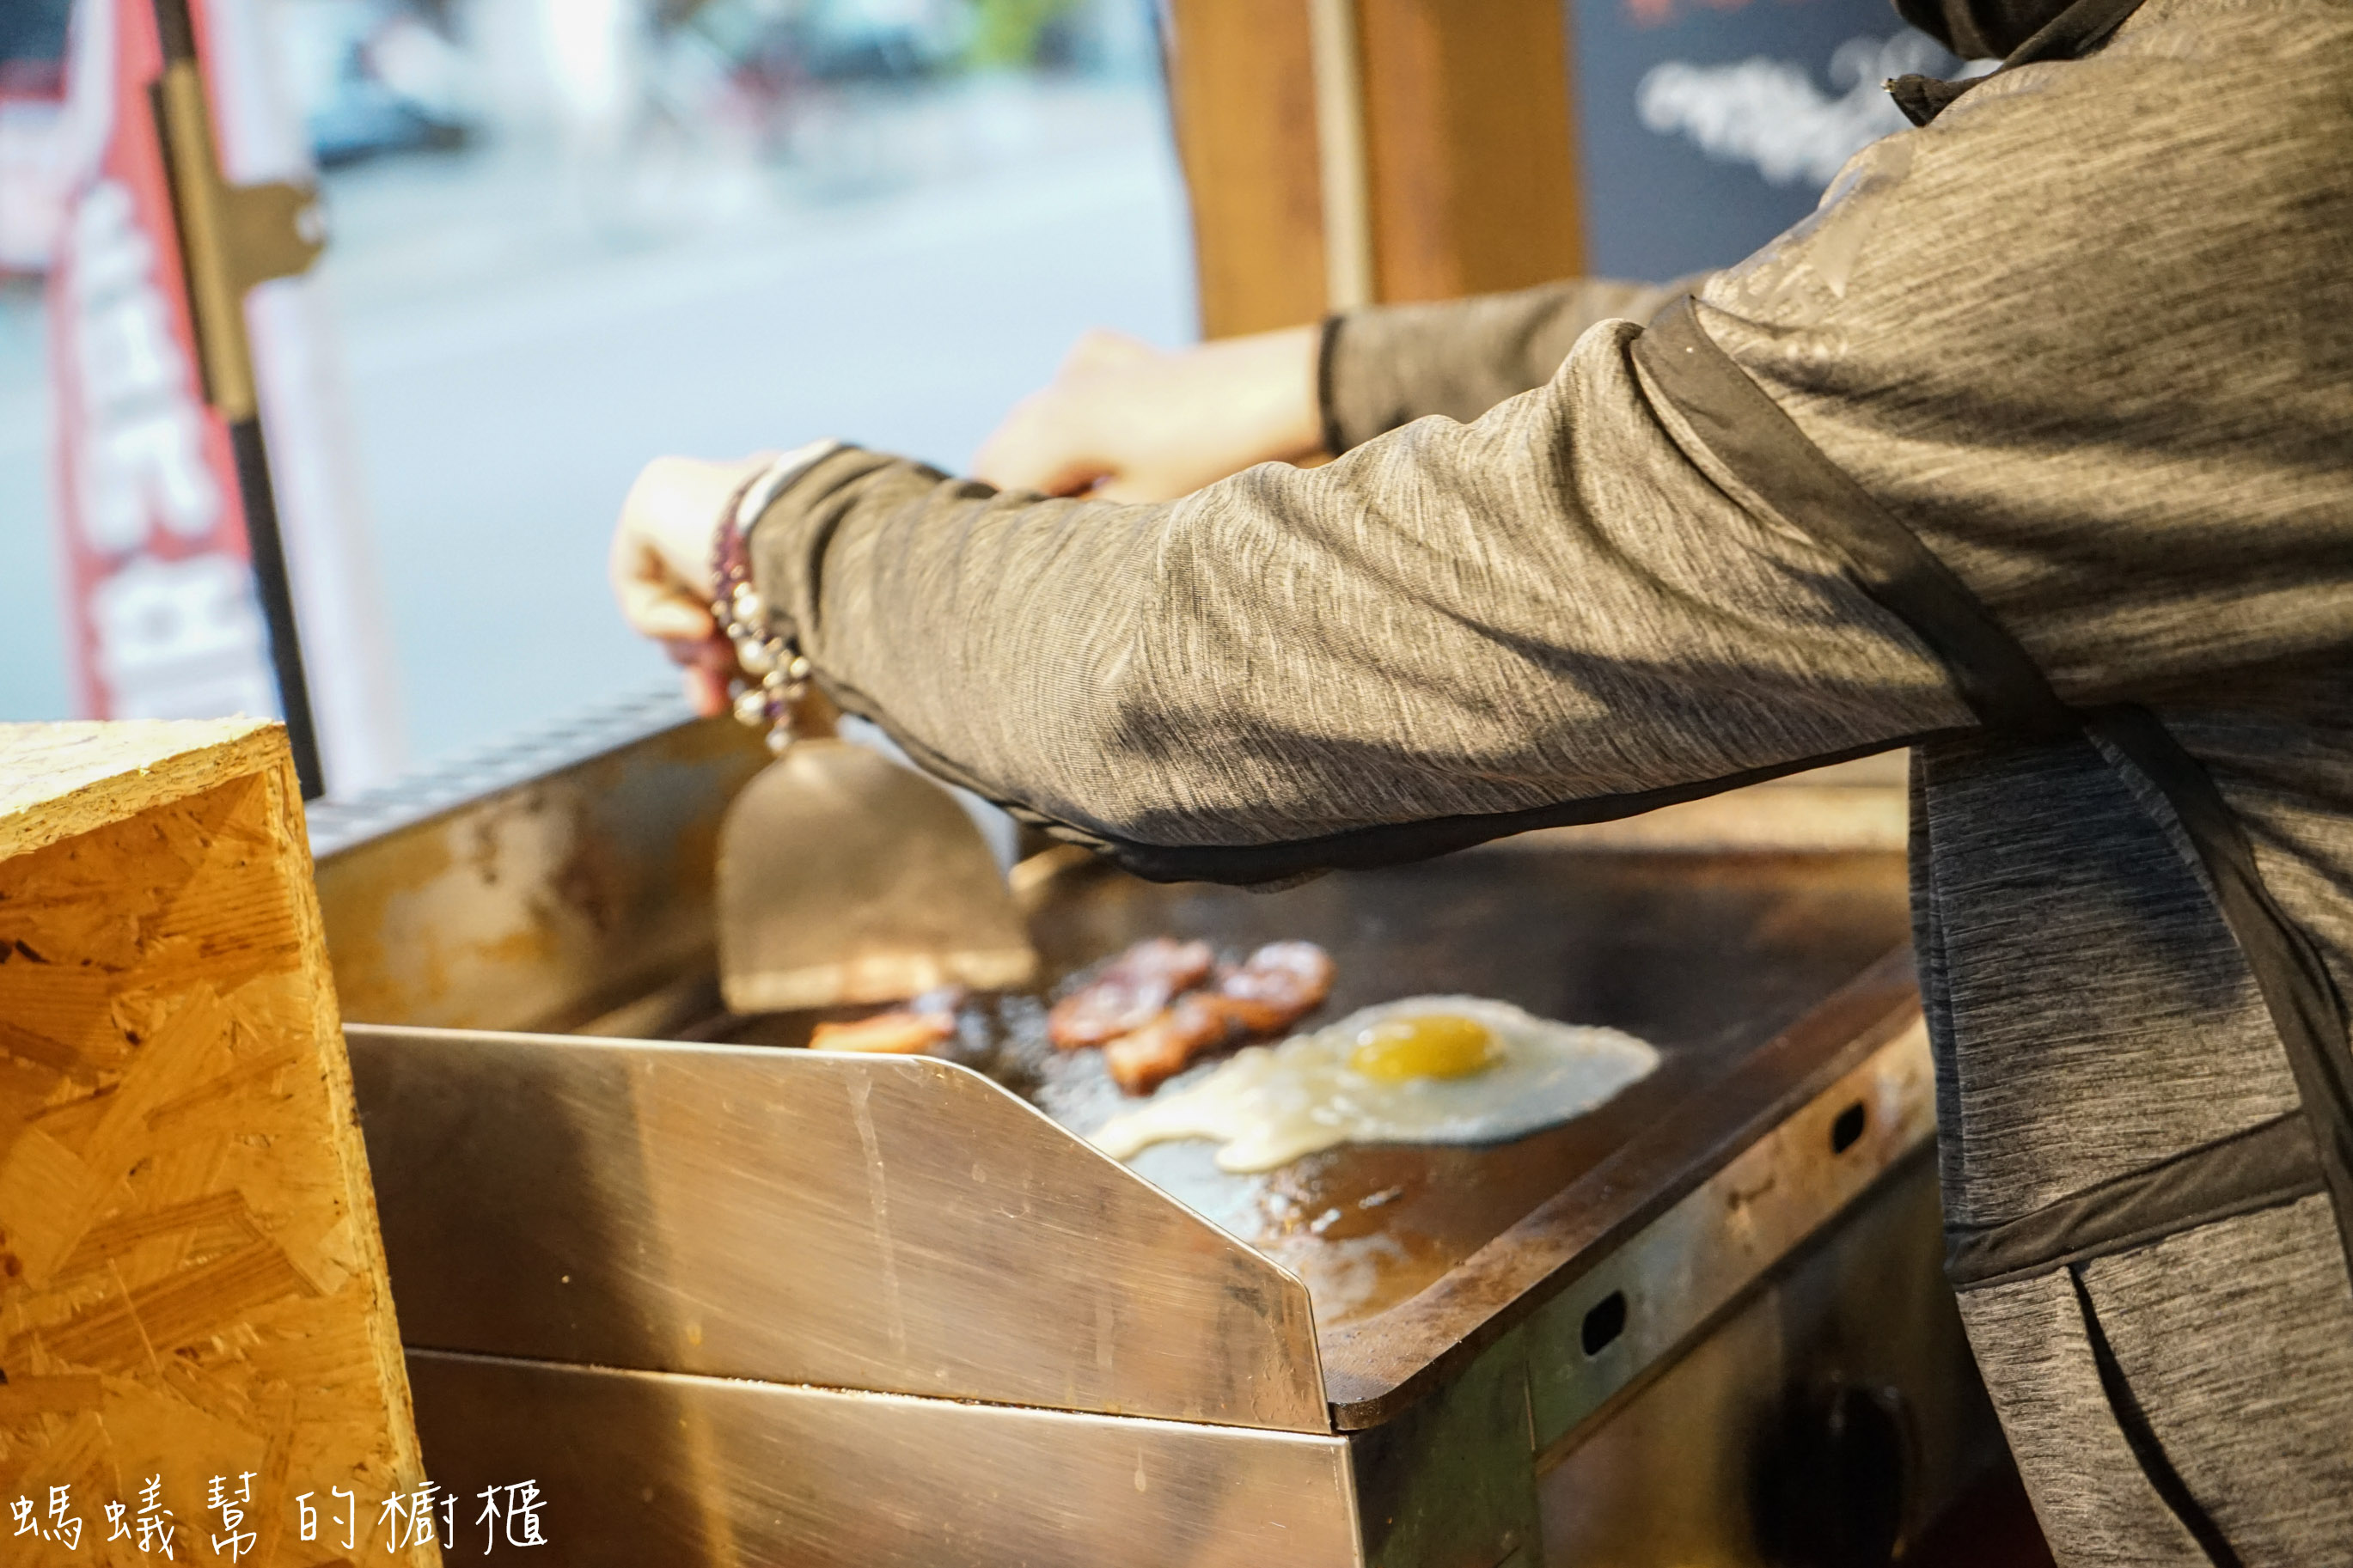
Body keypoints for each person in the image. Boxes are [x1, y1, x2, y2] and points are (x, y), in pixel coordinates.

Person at [608, 0, 2353, 1556]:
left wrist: (779, 526)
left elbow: (1171, 694)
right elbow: (1834, 344)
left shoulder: (2226, 139)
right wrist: (1315, 380)